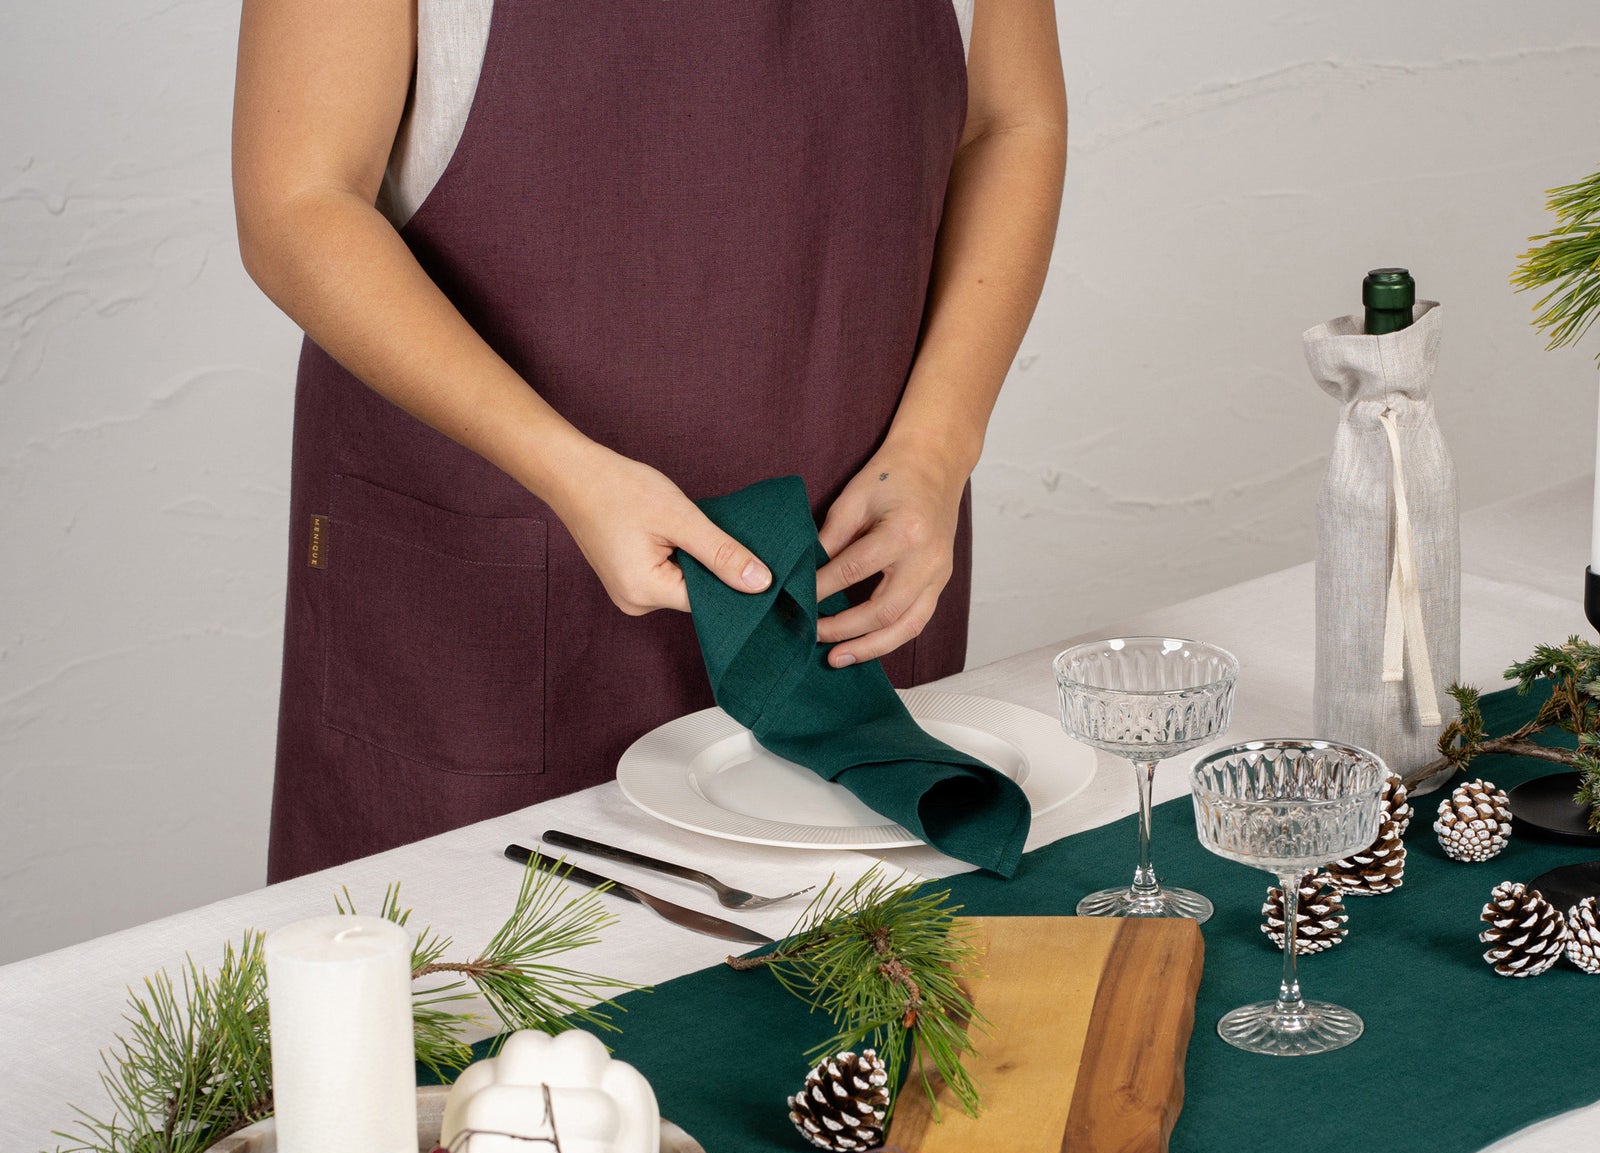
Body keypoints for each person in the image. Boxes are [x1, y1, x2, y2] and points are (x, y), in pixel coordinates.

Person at [234, 0, 1067, 882]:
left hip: (842, 560)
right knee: (452, 996)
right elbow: (298, 197)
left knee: (853, 981)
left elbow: (1010, 121)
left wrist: (939, 445)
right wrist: (564, 470)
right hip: (493, 580)